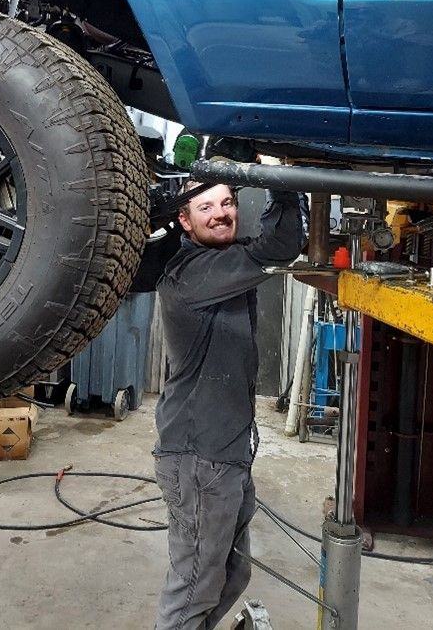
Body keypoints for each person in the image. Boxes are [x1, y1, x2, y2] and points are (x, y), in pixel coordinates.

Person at [153, 180, 304, 630]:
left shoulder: (223, 261)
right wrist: (284, 179)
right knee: (194, 588)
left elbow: (267, 248)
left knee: (232, 573)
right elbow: (280, 245)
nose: (221, 213)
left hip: (228, 453)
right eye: (205, 208)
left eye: (227, 203)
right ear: (185, 220)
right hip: (200, 459)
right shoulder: (193, 273)